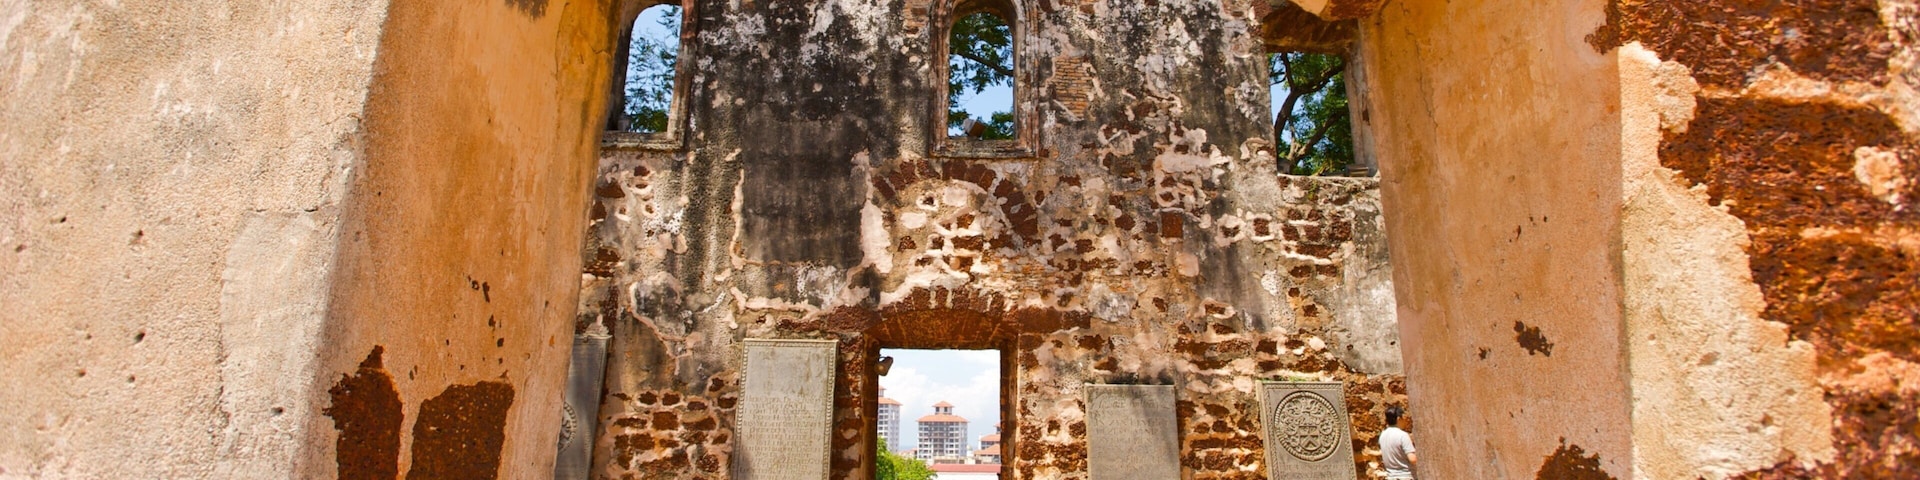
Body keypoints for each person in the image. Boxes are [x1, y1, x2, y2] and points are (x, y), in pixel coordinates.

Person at [1380, 405, 1417, 480]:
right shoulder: (1403, 435)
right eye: (1403, 418)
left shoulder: (1383, 435)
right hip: (1405, 476)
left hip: (1391, 477)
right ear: (1398, 419)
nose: (1405, 420)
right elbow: (1412, 459)